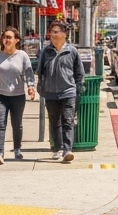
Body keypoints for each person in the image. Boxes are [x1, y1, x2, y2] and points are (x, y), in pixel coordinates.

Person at [0, 26, 37, 164]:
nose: (6, 40)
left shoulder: (22, 55)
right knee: (0, 125)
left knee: (17, 124)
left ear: (16, 40)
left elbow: (29, 73)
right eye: (4, 37)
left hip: (17, 95)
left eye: (9, 37)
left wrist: (31, 87)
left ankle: (17, 149)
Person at [37, 22, 87, 162]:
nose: (53, 35)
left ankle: (67, 150)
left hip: (68, 92)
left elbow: (79, 73)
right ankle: (58, 148)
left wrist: (77, 88)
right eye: (52, 32)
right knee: (55, 122)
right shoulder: (45, 52)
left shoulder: (72, 51)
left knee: (68, 121)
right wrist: (41, 88)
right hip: (51, 93)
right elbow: (40, 71)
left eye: (56, 32)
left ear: (65, 34)